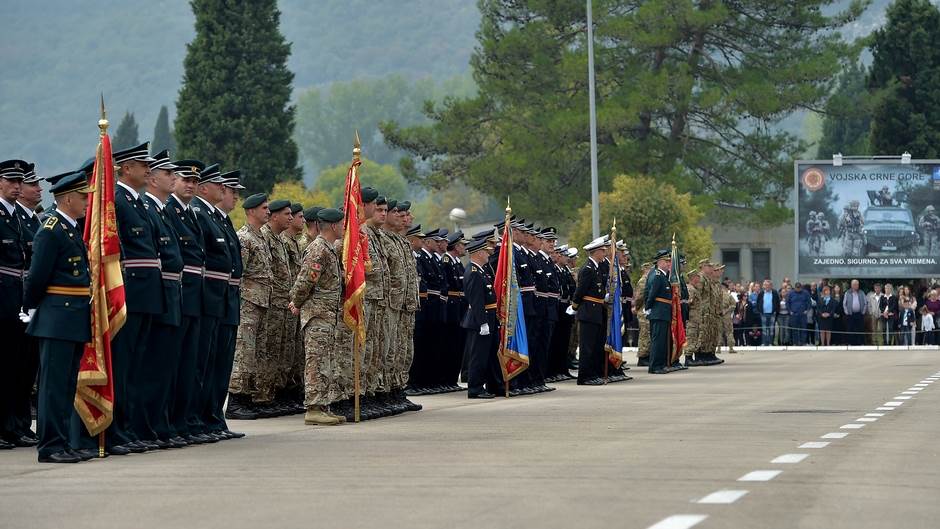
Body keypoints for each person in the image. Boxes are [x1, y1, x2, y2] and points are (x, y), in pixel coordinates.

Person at [24, 171, 92, 463]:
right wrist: (31, 307)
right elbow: (37, 277)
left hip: (73, 316)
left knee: (66, 385)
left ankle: (63, 442)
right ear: (68, 199)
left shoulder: (70, 228)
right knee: (53, 386)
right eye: (83, 197)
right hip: (57, 317)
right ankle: (50, 446)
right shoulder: (51, 229)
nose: (88, 202)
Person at [110, 141, 163, 453]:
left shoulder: (137, 202)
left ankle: (129, 427)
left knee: (136, 365)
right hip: (129, 292)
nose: (148, 170)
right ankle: (116, 430)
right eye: (143, 166)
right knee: (123, 364)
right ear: (126, 168)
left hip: (146, 293)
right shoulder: (117, 201)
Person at [139, 152, 186, 448]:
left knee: (166, 367)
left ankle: (160, 425)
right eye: (168, 173)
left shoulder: (161, 210)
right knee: (154, 367)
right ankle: (149, 426)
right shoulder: (148, 208)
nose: (174, 178)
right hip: (157, 294)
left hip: (170, 293)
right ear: (153, 179)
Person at [289, 208, 347, 426]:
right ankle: (313, 408)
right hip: (317, 314)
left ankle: (322, 406)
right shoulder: (318, 249)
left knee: (325, 361)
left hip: (327, 314)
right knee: (316, 361)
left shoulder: (328, 248)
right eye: (341, 224)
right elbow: (305, 281)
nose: (344, 228)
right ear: (333, 226)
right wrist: (296, 302)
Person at [190, 163, 234, 441]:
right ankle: (200, 419)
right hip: (208, 295)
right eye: (218, 184)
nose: (224, 189)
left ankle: (213, 417)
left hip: (224, 296)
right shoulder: (200, 214)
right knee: (203, 364)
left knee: (218, 363)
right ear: (204, 189)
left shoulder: (216, 217)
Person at [164, 160, 207, 446]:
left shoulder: (191, 213)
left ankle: (184, 422)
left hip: (195, 295)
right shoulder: (169, 210)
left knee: (191, 363)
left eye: (194, 181)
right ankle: (172, 422)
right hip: (181, 294)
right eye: (185, 180)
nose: (190, 185)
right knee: (176, 363)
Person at [227, 193, 273, 420]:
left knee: (256, 353)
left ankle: (249, 398)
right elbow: (239, 272)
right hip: (247, 303)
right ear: (251, 211)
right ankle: (235, 401)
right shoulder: (244, 238)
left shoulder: (261, 237)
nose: (268, 212)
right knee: (243, 352)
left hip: (261, 302)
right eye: (264, 208)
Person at [0, 159, 34, 450]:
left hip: (18, 299)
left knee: (20, 365)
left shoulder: (19, 218)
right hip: (2, 299)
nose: (16, 186)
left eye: (19, 181)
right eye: (11, 181)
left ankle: (16, 425)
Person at [462, 238, 498, 399]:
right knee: (478, 356)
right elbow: (477, 301)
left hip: (488, 317)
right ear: (478, 253)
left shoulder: (480, 271)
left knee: (486, 355)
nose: (488, 255)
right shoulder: (473, 272)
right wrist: (483, 323)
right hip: (479, 320)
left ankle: (487, 385)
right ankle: (475, 388)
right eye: (485, 252)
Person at [572, 237, 609, 383]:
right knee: (587, 347)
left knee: (594, 345)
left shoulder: (595, 268)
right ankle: (584, 376)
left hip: (596, 310)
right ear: (596, 252)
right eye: (603, 251)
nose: (604, 254)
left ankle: (592, 374)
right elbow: (580, 291)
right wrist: (575, 306)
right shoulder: (588, 269)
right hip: (588, 311)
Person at [644, 250, 673, 374]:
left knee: (662, 341)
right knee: (658, 341)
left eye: (669, 261)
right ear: (660, 262)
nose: (669, 264)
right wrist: (648, 308)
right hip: (658, 312)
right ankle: (655, 366)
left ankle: (660, 364)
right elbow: (651, 294)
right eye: (666, 261)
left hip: (663, 312)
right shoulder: (657, 275)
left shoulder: (663, 276)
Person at [842, 279, 867, 346]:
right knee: (850, 329)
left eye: (857, 284)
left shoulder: (861, 292)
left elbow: (865, 303)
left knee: (860, 329)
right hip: (850, 314)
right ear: (851, 285)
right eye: (854, 284)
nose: (856, 286)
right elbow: (844, 304)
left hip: (859, 314)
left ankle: (860, 343)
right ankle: (850, 343)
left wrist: (863, 312)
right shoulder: (847, 293)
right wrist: (847, 312)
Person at [755, 279, 779, 346]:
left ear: (771, 286)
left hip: (772, 313)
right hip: (763, 313)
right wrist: (760, 311)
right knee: (764, 329)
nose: (767, 286)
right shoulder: (761, 293)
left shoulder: (774, 293)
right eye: (766, 285)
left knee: (771, 329)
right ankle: (764, 342)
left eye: (768, 285)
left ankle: (770, 342)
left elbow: (777, 303)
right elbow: (758, 302)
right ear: (764, 286)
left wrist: (775, 311)